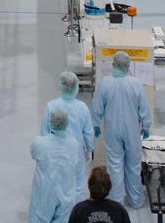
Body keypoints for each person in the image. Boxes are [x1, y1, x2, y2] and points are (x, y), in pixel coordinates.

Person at [91, 52, 151, 209]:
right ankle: (136, 200)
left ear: (113, 64)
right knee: (133, 166)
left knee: (114, 166)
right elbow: (143, 107)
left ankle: (115, 202)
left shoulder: (105, 83)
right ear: (128, 66)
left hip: (113, 131)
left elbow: (97, 106)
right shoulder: (136, 83)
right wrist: (146, 125)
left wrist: (95, 124)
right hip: (132, 131)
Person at [41, 71, 94, 199]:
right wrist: (89, 149)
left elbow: (44, 132)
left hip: (56, 153)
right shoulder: (82, 107)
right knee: (78, 185)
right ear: (76, 87)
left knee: (58, 184)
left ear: (61, 86)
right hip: (77, 153)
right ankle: (75, 214)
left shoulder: (51, 106)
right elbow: (88, 132)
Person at [29, 106, 82, 223]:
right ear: (67, 123)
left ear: (50, 122)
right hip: (66, 194)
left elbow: (33, 154)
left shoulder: (39, 143)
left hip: (44, 194)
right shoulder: (74, 144)